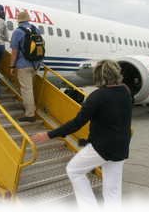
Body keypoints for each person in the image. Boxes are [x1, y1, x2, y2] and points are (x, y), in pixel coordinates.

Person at [31, 60, 132, 208]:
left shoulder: (97, 96)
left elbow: (77, 123)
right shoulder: (125, 91)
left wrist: (49, 135)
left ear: (99, 76)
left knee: (74, 170)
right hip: (121, 147)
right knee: (113, 190)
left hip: (102, 147)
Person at [10, 11, 42, 122]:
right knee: (30, 88)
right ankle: (31, 108)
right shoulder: (35, 29)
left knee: (26, 89)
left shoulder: (18, 32)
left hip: (23, 65)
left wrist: (12, 66)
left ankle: (30, 114)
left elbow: (14, 52)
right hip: (35, 64)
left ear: (19, 21)